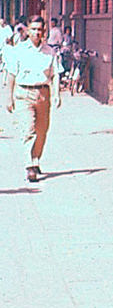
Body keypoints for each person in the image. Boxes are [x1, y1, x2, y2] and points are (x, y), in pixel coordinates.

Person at [5, 15, 61, 182]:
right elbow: (11, 75)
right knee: (28, 130)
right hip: (24, 94)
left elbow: (56, 74)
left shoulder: (50, 51)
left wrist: (57, 94)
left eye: (40, 29)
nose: (37, 32)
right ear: (27, 31)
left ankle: (36, 158)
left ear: (44, 32)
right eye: (34, 29)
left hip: (43, 94)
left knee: (42, 131)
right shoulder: (19, 50)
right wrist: (8, 98)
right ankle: (29, 165)